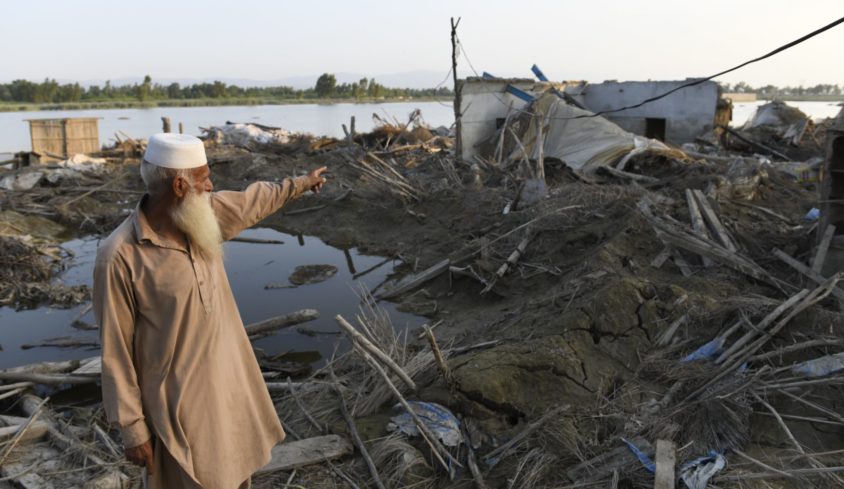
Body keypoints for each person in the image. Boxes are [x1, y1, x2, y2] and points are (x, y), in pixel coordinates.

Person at [92, 133, 327, 489]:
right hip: (179, 407)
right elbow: (115, 351)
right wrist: (132, 429)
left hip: (230, 385)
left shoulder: (203, 215)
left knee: (238, 473)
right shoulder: (120, 255)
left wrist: (300, 184)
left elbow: (253, 201)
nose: (211, 185)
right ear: (180, 185)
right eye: (204, 179)